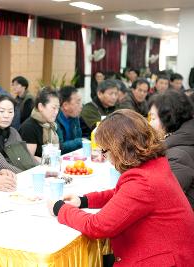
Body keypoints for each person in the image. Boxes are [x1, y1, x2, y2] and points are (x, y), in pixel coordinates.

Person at [49, 109, 194, 266]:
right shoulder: (154, 165)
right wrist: (83, 201)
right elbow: (123, 195)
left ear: (120, 148)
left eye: (105, 151)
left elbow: (98, 226)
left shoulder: (143, 182)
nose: (105, 156)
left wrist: (60, 209)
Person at [148, 90, 194, 208]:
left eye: (153, 118)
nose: (150, 124)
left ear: (169, 118)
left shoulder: (178, 155)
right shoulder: (182, 138)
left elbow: (162, 200)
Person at [19, 87, 60, 160]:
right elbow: (28, 159)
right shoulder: (29, 127)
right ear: (41, 107)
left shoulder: (52, 125)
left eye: (58, 108)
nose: (56, 112)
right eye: (54, 108)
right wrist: (48, 161)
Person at [55, 86, 82, 155]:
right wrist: (80, 141)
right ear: (65, 105)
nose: (81, 106)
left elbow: (78, 140)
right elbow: (60, 147)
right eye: (78, 102)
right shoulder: (54, 119)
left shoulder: (74, 117)